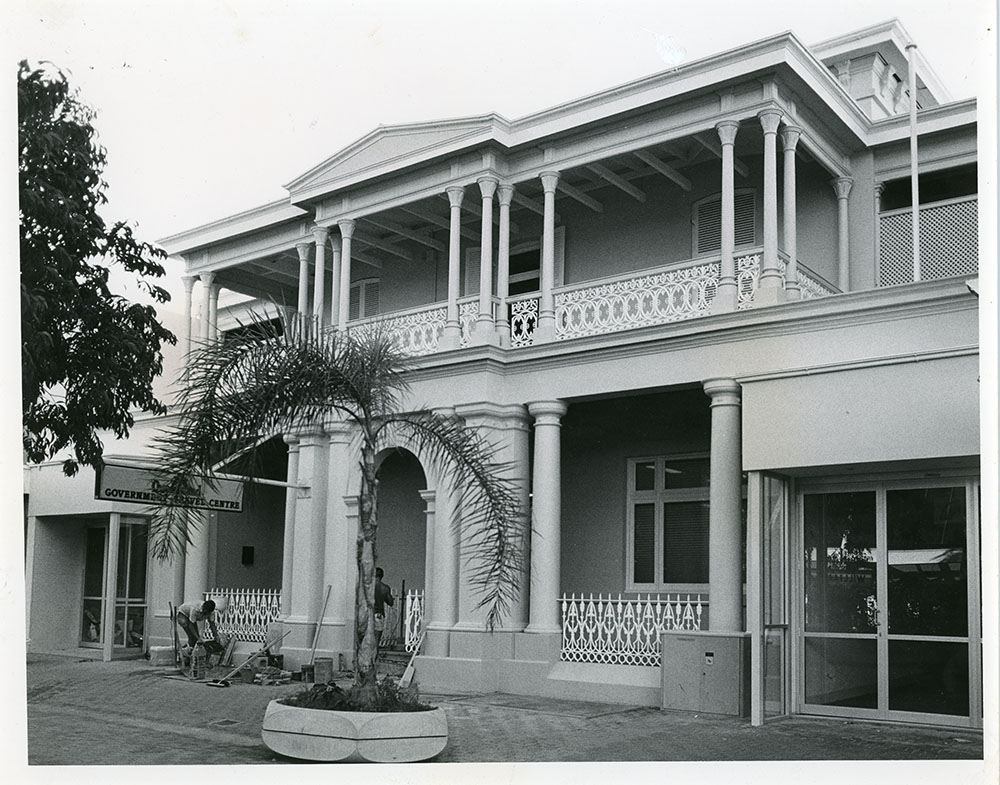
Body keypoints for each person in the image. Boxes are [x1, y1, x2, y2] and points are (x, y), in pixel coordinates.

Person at [374, 568, 394, 653]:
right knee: (376, 641)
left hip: (366, 615)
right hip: (378, 614)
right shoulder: (384, 588)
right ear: (382, 576)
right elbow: (390, 602)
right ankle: (373, 662)